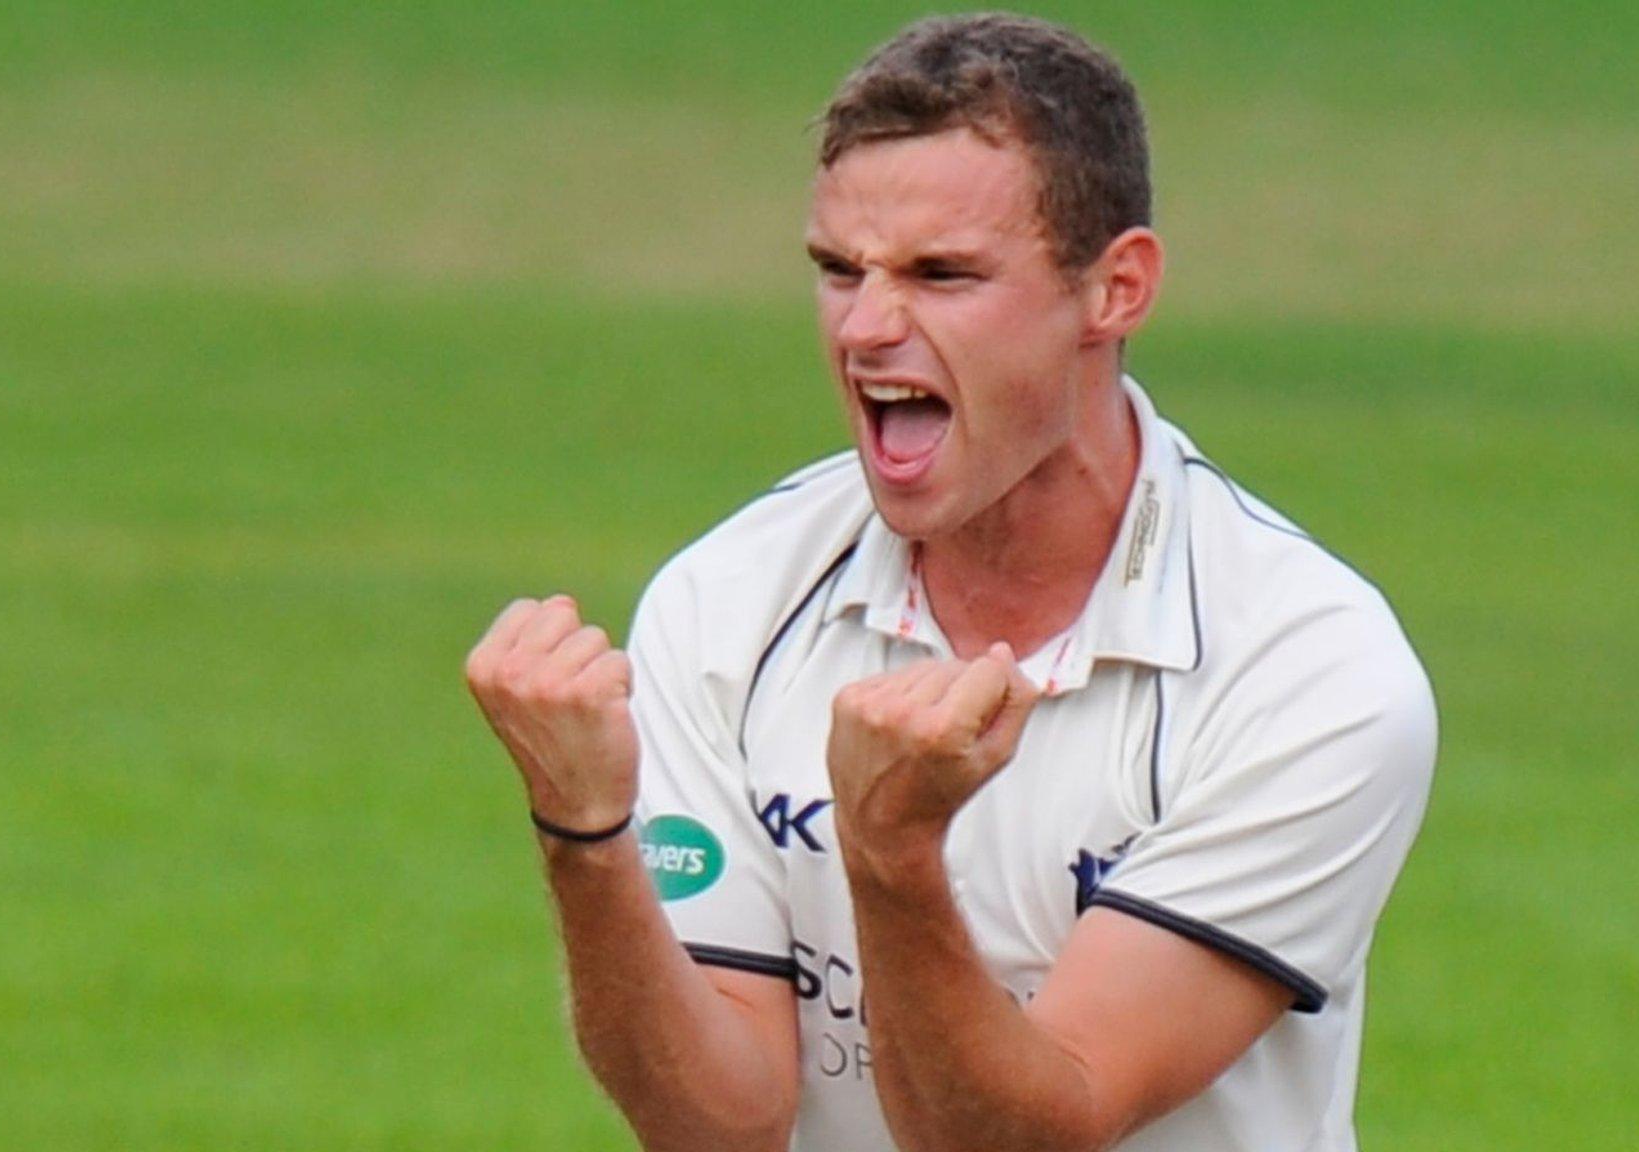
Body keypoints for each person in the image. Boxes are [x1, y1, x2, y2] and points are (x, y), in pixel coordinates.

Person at [464, 13, 1436, 1152]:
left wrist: (889, 851)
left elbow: (1031, 1131)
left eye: (941, 275)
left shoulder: (1308, 671)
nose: (867, 330)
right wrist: (584, 834)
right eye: (837, 271)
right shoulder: (726, 601)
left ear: (1115, 289)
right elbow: (713, 1126)